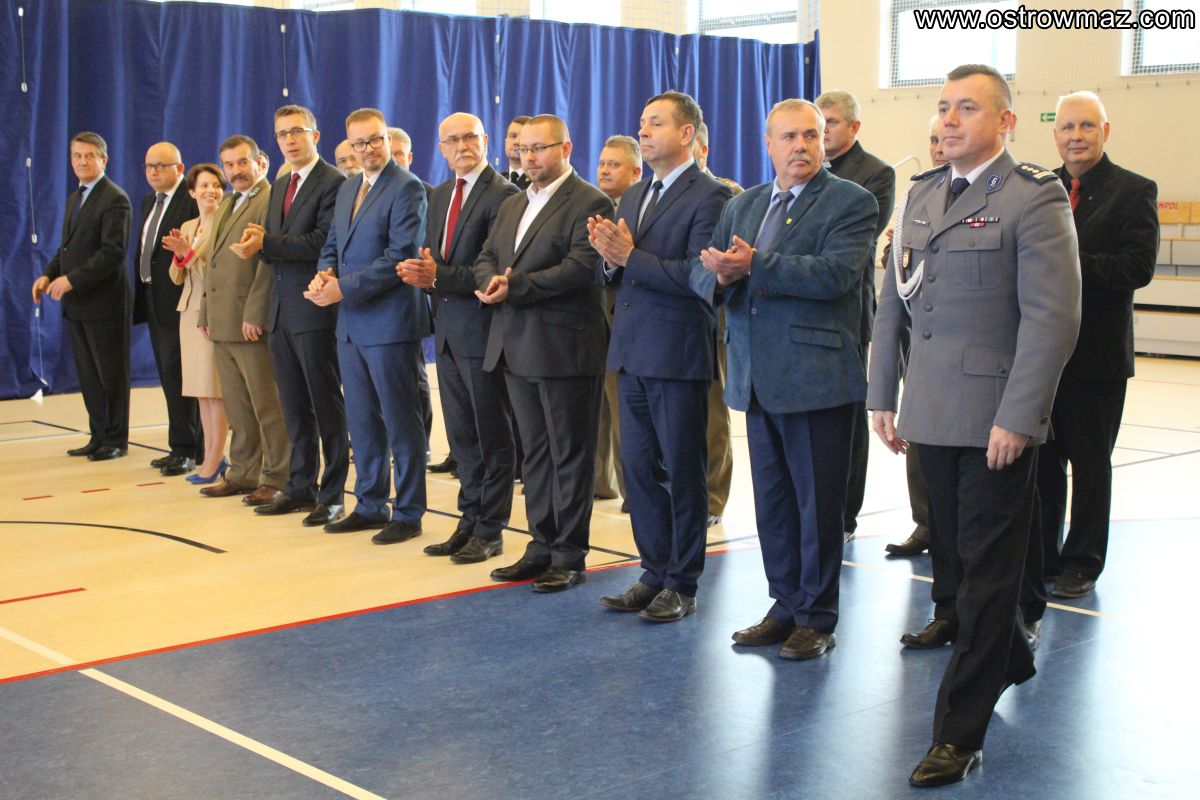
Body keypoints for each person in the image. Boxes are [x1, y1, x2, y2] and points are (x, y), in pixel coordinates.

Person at [867, 64, 1081, 787]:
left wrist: (1020, 416)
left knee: (987, 581)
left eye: (967, 108)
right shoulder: (924, 194)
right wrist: (882, 394)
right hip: (930, 413)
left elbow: (1052, 320)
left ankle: (957, 734)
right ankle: (1010, 655)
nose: (949, 121)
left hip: (995, 422)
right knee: (957, 565)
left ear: (1006, 121)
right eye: (943, 107)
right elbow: (894, 303)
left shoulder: (1032, 196)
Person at [690, 99, 878, 659]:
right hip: (755, 377)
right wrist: (721, 277)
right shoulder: (743, 204)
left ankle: (816, 616)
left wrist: (755, 265)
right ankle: (785, 605)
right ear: (768, 144)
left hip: (816, 378)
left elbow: (837, 275)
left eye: (811, 136)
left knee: (816, 507)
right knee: (773, 504)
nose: (801, 146)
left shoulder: (851, 201)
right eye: (790, 137)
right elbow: (707, 273)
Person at [592, 92, 731, 622]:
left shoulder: (711, 196)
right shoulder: (635, 194)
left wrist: (630, 257)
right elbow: (619, 273)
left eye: (656, 123)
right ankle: (653, 572)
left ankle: (683, 581)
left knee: (683, 471)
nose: (643, 132)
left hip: (676, 354)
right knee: (639, 472)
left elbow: (701, 277)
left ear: (687, 133)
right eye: (642, 123)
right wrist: (609, 260)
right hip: (630, 352)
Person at [475, 114, 613, 592]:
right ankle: (540, 545)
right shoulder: (514, 202)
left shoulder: (590, 200)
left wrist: (514, 285)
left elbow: (580, 267)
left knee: (569, 454)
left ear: (566, 148)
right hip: (514, 343)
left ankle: (569, 554)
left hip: (563, 346)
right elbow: (487, 256)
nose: (529, 157)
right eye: (523, 149)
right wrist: (489, 281)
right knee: (534, 454)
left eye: (540, 148)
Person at [1036, 91, 1159, 600]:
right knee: (1042, 467)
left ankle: (1082, 562)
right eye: (1067, 127)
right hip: (1043, 357)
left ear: (1105, 131)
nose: (1076, 136)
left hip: (1097, 359)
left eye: (1087, 126)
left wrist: (1069, 262)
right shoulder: (1040, 189)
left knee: (1090, 467)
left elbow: (1137, 268)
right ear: (1055, 134)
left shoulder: (1134, 191)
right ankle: (1043, 557)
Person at [397, 112, 521, 564]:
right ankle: (468, 520)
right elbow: (437, 261)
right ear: (441, 148)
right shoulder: (440, 194)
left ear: (485, 140)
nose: (461, 146)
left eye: (469, 137)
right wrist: (422, 274)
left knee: (492, 437)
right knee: (463, 437)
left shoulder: (504, 195)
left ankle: (490, 530)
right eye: (452, 140)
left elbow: (496, 269)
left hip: (485, 332)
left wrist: (437, 276)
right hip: (448, 333)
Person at [306, 108, 429, 545]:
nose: (368, 149)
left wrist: (342, 288)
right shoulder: (348, 188)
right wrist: (323, 275)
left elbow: (400, 256)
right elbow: (332, 244)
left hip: (390, 323)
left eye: (375, 139)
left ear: (387, 139)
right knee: (361, 421)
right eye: (359, 143)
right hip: (351, 325)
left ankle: (409, 512)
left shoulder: (407, 187)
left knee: (401, 422)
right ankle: (370, 504)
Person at [232, 104, 349, 527]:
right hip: (281, 311)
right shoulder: (282, 183)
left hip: (315, 310)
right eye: (282, 134)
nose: (289, 140)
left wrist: (267, 243)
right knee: (294, 407)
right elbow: (274, 243)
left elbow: (321, 242)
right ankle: (300, 486)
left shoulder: (334, 182)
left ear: (315, 136)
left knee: (325, 406)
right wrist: (258, 242)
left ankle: (332, 495)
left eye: (297, 131)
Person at [816, 89, 896, 542]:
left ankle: (845, 513)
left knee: (847, 417)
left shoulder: (876, 174)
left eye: (830, 122)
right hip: (802, 310)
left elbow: (854, 243)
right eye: (818, 122)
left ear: (854, 127)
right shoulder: (804, 166)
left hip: (847, 310)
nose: (822, 131)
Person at [195, 135, 291, 507]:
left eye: (242, 162)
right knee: (237, 406)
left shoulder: (270, 199)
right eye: (229, 165)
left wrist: (255, 313)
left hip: (249, 320)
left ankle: (277, 475)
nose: (235, 171)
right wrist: (205, 312)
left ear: (259, 162)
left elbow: (268, 264)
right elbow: (213, 263)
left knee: (267, 404)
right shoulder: (227, 202)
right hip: (222, 320)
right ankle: (242, 472)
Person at [33, 132, 132, 462]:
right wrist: (48, 275)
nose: (82, 161)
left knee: (111, 375)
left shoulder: (115, 198)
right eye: (77, 156)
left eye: (90, 156)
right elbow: (67, 248)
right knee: (89, 375)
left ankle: (115, 439)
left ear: (104, 160)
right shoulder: (76, 197)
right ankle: (98, 435)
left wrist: (72, 280)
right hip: (78, 305)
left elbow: (112, 252)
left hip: (105, 303)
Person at [884, 116, 946, 559]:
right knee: (919, 443)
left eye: (945, 138)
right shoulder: (917, 195)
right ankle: (924, 523)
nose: (939, 146)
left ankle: (947, 531)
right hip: (917, 342)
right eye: (932, 139)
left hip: (961, 347)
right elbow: (897, 268)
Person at [132, 142, 201, 476]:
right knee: (168, 376)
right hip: (153, 298)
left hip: (179, 300)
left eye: (161, 165)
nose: (154, 172)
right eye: (149, 166)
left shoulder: (190, 200)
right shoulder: (150, 201)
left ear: (179, 168)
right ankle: (180, 445)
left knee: (181, 377)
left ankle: (190, 449)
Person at [162, 164, 229, 484]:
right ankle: (211, 453)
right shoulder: (189, 225)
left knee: (215, 390)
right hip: (188, 312)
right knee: (200, 392)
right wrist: (180, 257)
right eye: (203, 186)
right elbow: (176, 276)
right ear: (191, 192)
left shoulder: (224, 223)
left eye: (215, 185)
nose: (210, 191)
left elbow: (216, 275)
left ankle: (216, 455)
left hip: (211, 311)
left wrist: (188, 256)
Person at [691, 120, 738, 528]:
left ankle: (713, 496)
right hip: (674, 316)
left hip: (713, 312)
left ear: (702, 149)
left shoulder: (728, 193)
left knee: (711, 408)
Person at [592, 133, 643, 507]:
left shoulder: (639, 208)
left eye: (614, 164)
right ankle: (600, 481)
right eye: (602, 164)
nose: (605, 171)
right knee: (597, 410)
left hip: (629, 322)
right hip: (594, 322)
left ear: (636, 172)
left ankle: (633, 490)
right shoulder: (592, 205)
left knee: (627, 412)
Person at [500, 115, 532, 189]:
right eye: (513, 136)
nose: (517, 142)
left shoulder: (539, 182)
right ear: (506, 141)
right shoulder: (496, 181)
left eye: (523, 137)